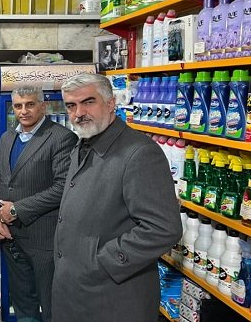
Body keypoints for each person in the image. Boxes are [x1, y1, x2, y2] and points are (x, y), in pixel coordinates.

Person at [52, 73, 182, 322]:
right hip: (77, 293)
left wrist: (102, 261)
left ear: (111, 103)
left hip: (112, 298)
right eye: (71, 105)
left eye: (88, 102)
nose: (79, 113)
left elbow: (163, 228)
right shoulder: (84, 144)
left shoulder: (139, 153)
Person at [0, 86, 77, 322]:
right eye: (18, 106)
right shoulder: (8, 138)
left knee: (50, 304)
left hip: (44, 239)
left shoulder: (61, 138)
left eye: (30, 104)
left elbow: (63, 187)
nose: (23, 111)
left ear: (43, 106)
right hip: (11, 237)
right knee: (22, 301)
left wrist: (17, 209)